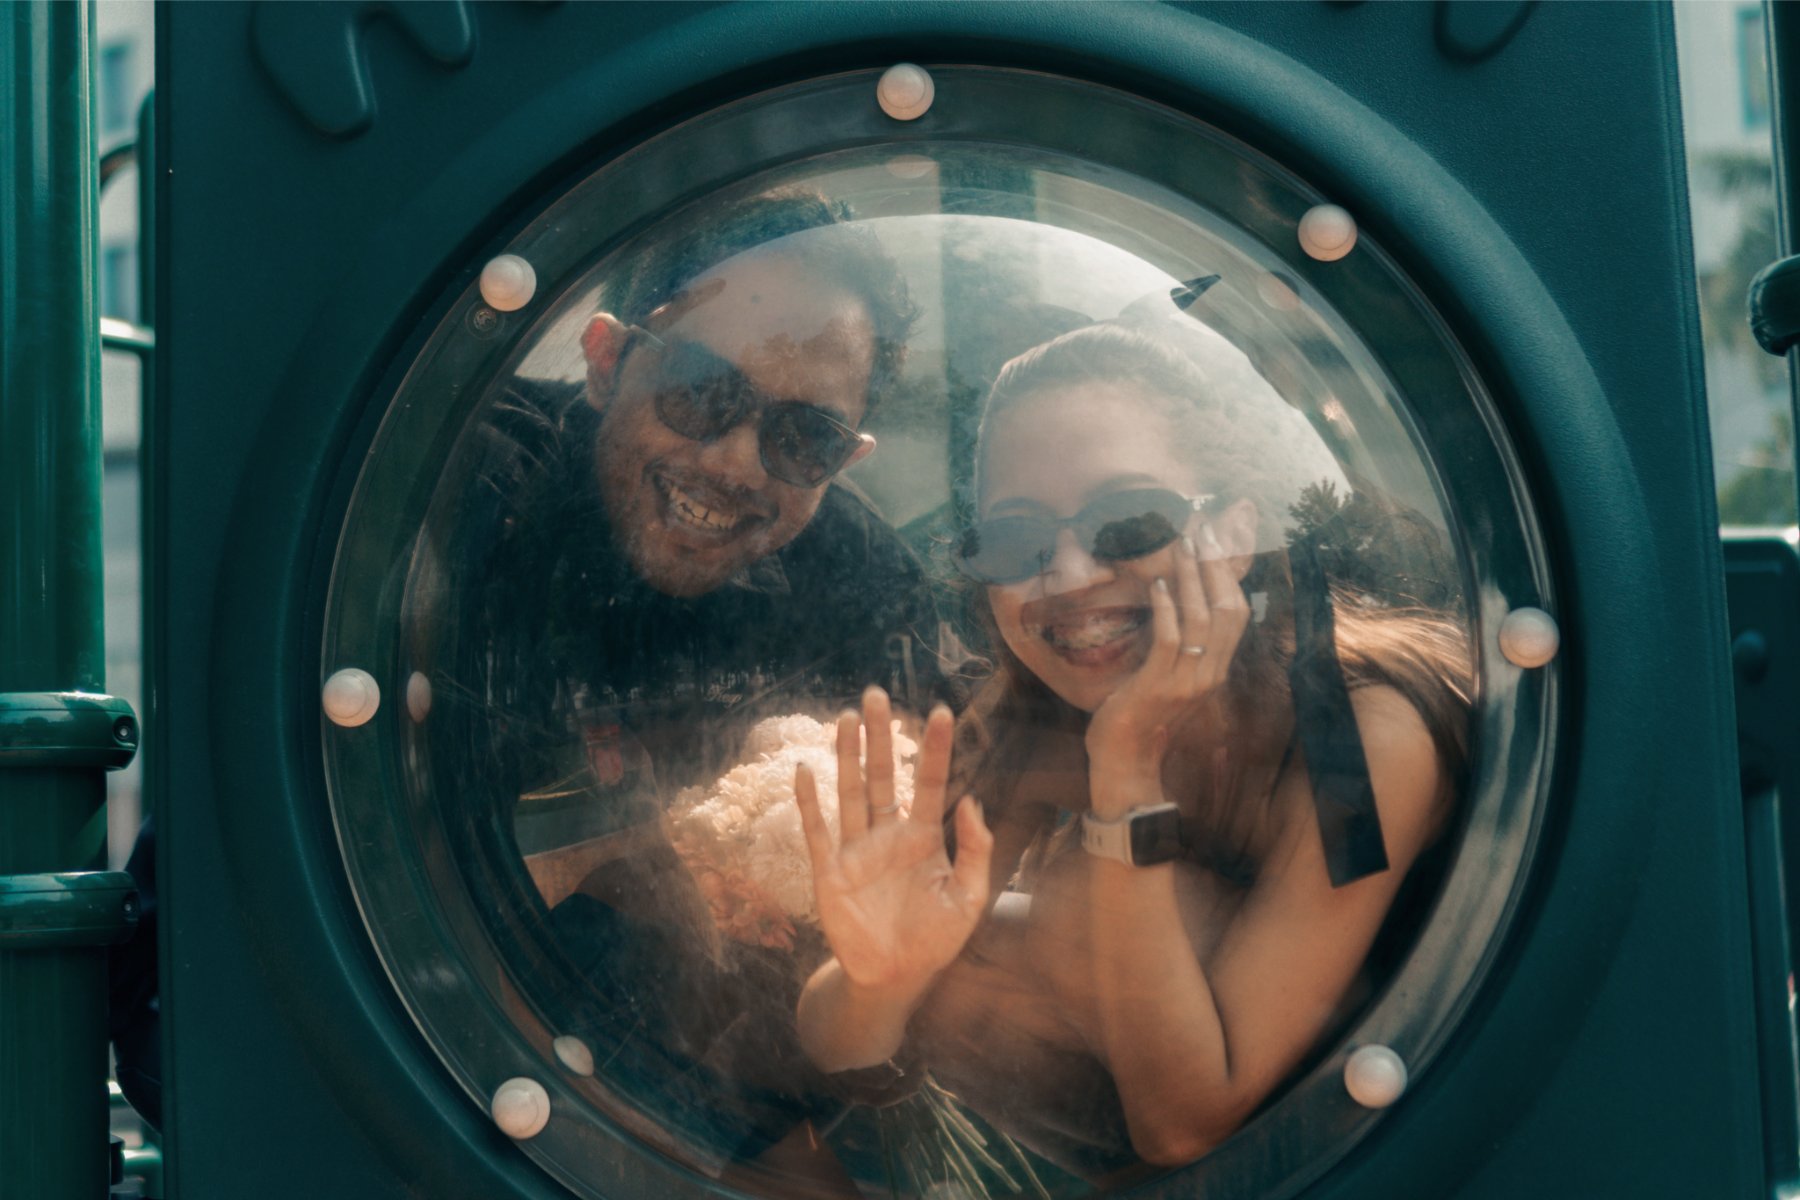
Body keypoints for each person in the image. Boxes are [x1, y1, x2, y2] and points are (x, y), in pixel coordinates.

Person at [791, 318, 1472, 1182]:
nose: (1072, 575)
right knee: (966, 956)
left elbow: (1186, 1126)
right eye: (1016, 540)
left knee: (1081, 902)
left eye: (1128, 520)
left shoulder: (1364, 737)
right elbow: (838, 1044)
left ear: (1232, 536)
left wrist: (1125, 768)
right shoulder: (1036, 718)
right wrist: (880, 979)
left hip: (1417, 1149)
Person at [418, 187, 956, 1182]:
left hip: (719, 1083)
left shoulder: (864, 590)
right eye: (702, 392)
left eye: (804, 438)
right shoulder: (445, 496)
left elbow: (914, 932)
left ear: (847, 459)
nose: (738, 463)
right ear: (606, 359)